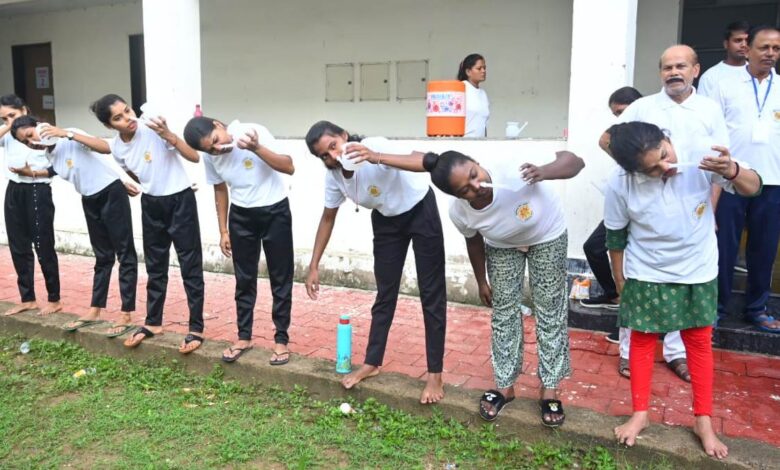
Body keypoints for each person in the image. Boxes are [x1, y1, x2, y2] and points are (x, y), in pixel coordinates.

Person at [604, 121, 760, 458]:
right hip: (646, 271)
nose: (666, 166)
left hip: (698, 270)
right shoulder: (620, 184)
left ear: (667, 138)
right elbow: (615, 234)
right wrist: (619, 278)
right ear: (633, 171)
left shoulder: (700, 158)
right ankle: (640, 414)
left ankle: (703, 421)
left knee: (699, 344)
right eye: (652, 169)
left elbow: (753, 187)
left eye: (664, 154)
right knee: (643, 342)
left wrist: (732, 169)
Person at [417, 148, 583, 427]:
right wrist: (481, 280)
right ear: (458, 197)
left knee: (550, 310)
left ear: (477, 163)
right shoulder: (460, 213)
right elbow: (473, 241)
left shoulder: (512, 168)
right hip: (502, 245)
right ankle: (505, 385)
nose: (477, 186)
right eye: (465, 189)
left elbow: (575, 162)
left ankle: (550, 387)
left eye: (474, 174)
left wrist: (544, 171)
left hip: (547, 234)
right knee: (504, 313)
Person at [599, 45, 731, 383]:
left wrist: (711, 210)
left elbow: (720, 163)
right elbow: (606, 140)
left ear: (696, 70)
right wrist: (639, 171)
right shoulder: (643, 107)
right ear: (660, 73)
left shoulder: (710, 110)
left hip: (694, 206)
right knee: (637, 288)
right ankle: (629, 353)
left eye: (681, 66)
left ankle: (676, 354)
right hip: (648, 204)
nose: (674, 72)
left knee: (684, 288)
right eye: (668, 67)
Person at [304, 120, 447, 404]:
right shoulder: (333, 176)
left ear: (344, 136)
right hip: (386, 221)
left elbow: (423, 162)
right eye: (324, 155)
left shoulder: (376, 145)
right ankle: (372, 362)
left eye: (334, 146)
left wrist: (374, 156)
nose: (332, 156)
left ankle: (435, 373)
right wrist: (313, 264)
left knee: (431, 294)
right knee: (384, 294)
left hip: (420, 209)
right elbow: (328, 217)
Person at [90, 94, 206, 353]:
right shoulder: (117, 147)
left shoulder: (152, 128)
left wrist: (168, 134)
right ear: (110, 126)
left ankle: (196, 327)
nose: (128, 119)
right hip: (152, 204)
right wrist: (150, 184)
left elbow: (194, 157)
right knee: (155, 267)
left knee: (190, 266)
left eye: (127, 110)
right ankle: (153, 322)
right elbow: (132, 171)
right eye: (118, 118)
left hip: (180, 201)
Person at [9, 115, 140, 337]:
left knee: (124, 253)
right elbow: (57, 170)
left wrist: (65, 133)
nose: (32, 142)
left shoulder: (69, 133)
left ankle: (126, 313)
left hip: (110, 193)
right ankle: (95, 310)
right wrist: (29, 173)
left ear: (40, 126)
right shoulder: (50, 153)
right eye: (26, 142)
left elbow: (104, 148)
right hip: (89, 199)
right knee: (102, 256)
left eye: (31, 135)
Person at [183, 116, 295, 364]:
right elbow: (220, 188)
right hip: (241, 216)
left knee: (281, 277)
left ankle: (281, 340)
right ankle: (244, 336)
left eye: (215, 140)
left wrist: (257, 148)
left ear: (218, 125)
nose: (216, 148)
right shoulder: (211, 156)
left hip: (275, 211)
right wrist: (223, 230)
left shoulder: (252, 131)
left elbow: (288, 166)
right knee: (244, 279)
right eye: (209, 148)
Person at [711, 26, 780, 333]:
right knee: (724, 248)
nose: (770, 54)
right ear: (748, 50)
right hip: (732, 179)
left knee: (764, 249)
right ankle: (716, 307)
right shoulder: (726, 84)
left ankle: (757, 308)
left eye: (776, 49)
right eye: (764, 47)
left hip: (774, 180)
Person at [581, 86, 642, 376]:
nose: (618, 119)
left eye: (621, 112)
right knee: (595, 247)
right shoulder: (624, 147)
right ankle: (615, 295)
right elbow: (603, 141)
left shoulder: (652, 134)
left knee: (636, 270)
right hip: (620, 207)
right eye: (615, 114)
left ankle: (637, 333)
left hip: (646, 214)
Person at [0, 94, 61, 316]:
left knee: (43, 245)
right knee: (18, 245)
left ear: (24, 110)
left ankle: (54, 299)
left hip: (38, 189)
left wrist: (32, 172)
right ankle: (28, 298)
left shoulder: (44, 131)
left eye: (13, 115)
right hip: (14, 190)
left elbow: (58, 166)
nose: (8, 120)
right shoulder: (8, 135)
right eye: (4, 117)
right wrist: (10, 126)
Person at [697, 20, 750, 99]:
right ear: (726, 44)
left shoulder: (758, 73)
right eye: (738, 40)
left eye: (748, 41)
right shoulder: (710, 77)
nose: (744, 45)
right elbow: (703, 109)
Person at [458, 54, 489, 138]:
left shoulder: (483, 94)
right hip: (464, 142)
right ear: (468, 72)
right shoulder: (460, 89)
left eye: (484, 68)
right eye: (479, 68)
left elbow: (483, 123)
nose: (483, 71)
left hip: (480, 143)